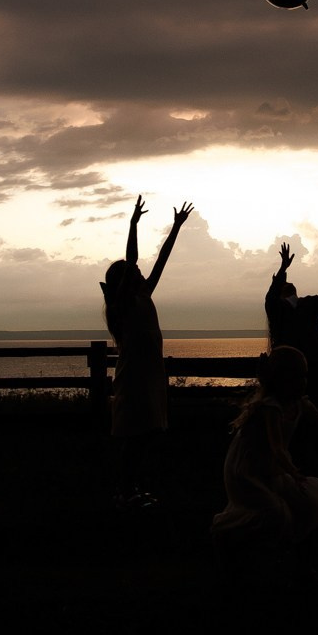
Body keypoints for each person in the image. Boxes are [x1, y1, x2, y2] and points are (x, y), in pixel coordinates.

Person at [210, 346, 318, 587]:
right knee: (274, 514)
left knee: (309, 505)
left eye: (304, 376)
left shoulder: (300, 404)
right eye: (296, 377)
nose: (303, 382)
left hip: (272, 469)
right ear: (281, 380)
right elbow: (277, 447)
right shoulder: (271, 408)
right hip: (247, 471)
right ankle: (225, 534)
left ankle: (303, 570)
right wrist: (292, 471)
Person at [100, 195, 192, 509]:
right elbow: (133, 260)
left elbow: (161, 260)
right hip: (135, 376)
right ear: (124, 281)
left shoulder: (142, 295)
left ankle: (131, 487)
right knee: (135, 436)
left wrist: (176, 227)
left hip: (149, 374)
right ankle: (125, 490)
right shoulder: (123, 303)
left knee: (147, 434)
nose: (140, 274)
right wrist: (133, 224)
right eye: (134, 273)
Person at [265, 242, 318, 405]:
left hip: (289, 373)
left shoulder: (277, 310)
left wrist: (283, 268)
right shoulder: (312, 305)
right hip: (317, 369)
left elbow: (270, 297)